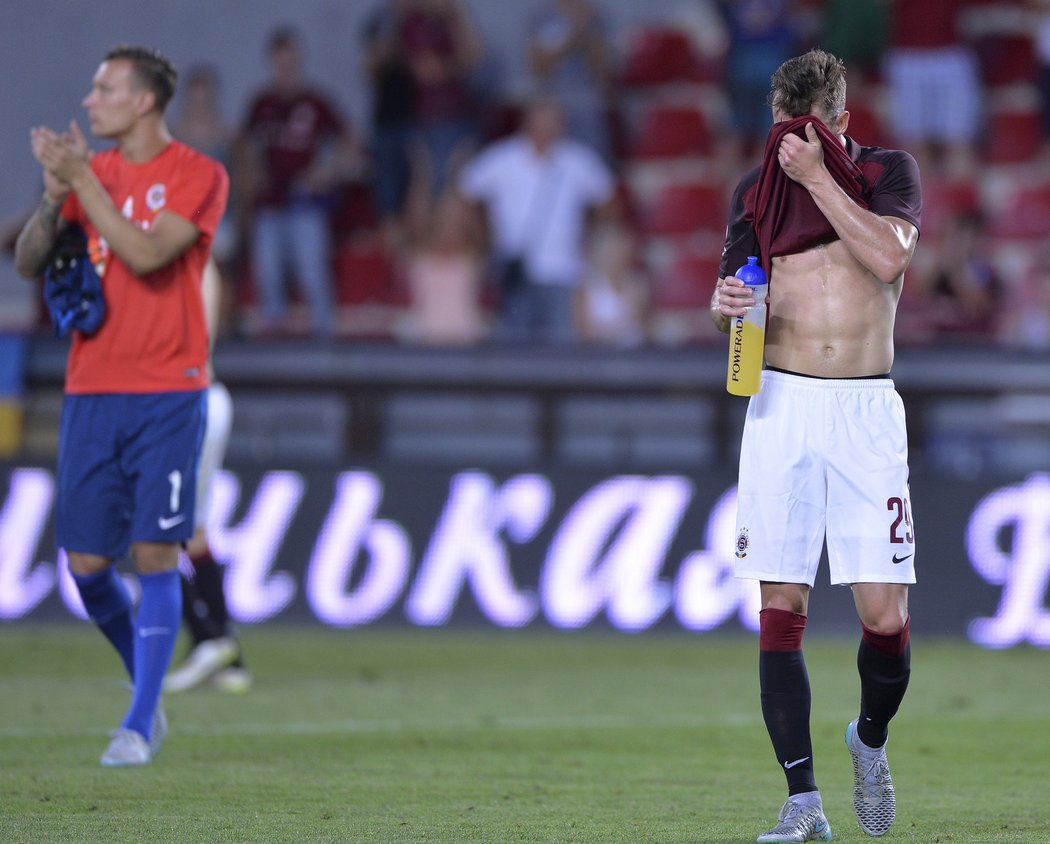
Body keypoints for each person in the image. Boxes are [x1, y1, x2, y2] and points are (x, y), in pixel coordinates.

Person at [710, 49, 921, 841]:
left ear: (838, 124)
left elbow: (890, 257)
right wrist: (725, 300)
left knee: (883, 613)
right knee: (779, 603)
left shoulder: (887, 174)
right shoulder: (754, 194)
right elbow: (737, 301)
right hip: (783, 404)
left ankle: (868, 737)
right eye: (783, 132)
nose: (792, 145)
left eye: (810, 130)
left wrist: (818, 178)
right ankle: (803, 803)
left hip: (866, 408)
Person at [14, 45, 228, 766]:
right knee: (85, 567)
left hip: (168, 390)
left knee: (155, 552)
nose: (90, 98)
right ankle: (148, 688)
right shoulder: (90, 175)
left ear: (143, 102)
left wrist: (82, 182)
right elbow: (28, 260)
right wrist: (53, 197)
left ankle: (137, 724)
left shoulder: (199, 176)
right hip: (92, 389)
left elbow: (145, 254)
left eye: (104, 87)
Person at [235, 26, 360, 339]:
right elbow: (242, 145)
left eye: (291, 59)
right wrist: (251, 172)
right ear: (271, 62)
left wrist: (328, 171)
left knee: (312, 274)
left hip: (305, 202)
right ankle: (273, 345)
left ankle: (324, 341)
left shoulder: (315, 102)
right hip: (270, 201)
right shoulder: (261, 104)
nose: (286, 67)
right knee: (269, 274)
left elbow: (351, 141)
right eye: (280, 60)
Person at [458, 97, 616, 343]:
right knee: (514, 345)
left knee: (561, 346)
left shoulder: (577, 160)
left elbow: (608, 201)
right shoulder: (503, 158)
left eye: (553, 121)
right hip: (515, 268)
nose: (547, 127)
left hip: (563, 270)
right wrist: (484, 236)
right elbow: (466, 192)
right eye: (542, 121)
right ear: (527, 123)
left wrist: (587, 235)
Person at [164, 258, 251, 694]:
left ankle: (209, 638)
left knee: (150, 531)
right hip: (204, 398)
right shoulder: (204, 262)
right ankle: (225, 650)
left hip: (184, 403)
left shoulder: (181, 260)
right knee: (191, 534)